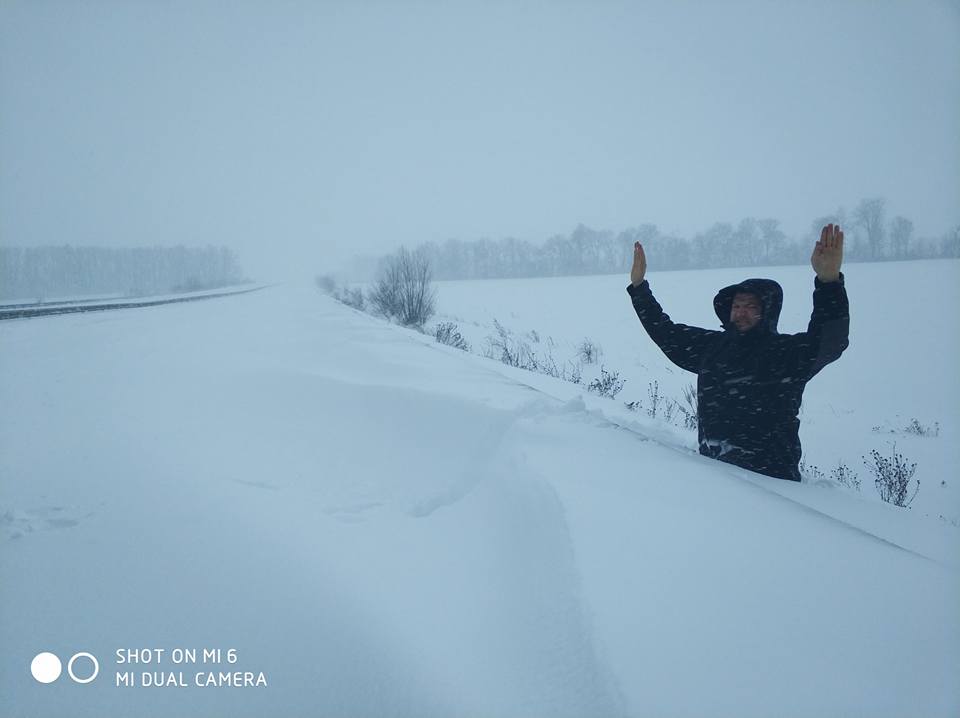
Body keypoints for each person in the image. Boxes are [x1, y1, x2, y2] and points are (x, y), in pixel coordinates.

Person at [626, 224, 849, 481]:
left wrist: (829, 283)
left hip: (774, 483)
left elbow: (830, 341)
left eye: (751, 306)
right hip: (716, 477)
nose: (741, 311)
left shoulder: (786, 355)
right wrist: (639, 288)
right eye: (737, 305)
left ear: (767, 311)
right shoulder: (713, 347)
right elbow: (666, 333)